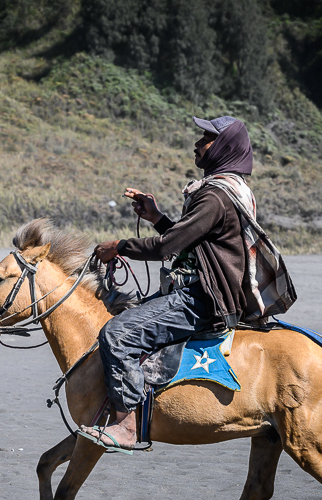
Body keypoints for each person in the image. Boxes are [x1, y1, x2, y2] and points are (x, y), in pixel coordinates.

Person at [78, 115, 262, 454]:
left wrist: (119, 247)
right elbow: (191, 239)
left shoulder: (215, 196)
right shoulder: (229, 191)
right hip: (207, 291)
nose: (197, 144)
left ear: (223, 147)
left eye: (206, 138)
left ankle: (127, 425)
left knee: (117, 333)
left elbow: (167, 247)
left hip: (202, 298)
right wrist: (156, 217)